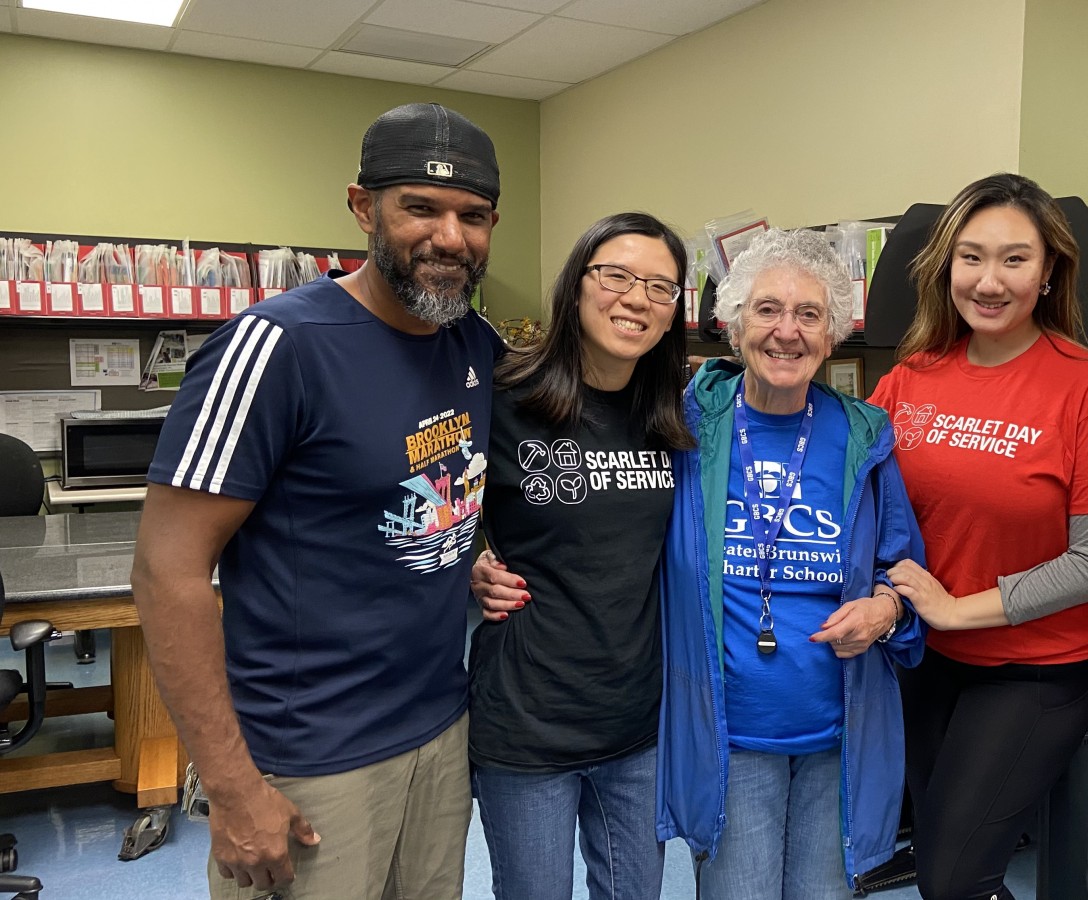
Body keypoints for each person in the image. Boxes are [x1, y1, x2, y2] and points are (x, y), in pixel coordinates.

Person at [131, 102, 505, 900]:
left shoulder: (477, 345)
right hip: (306, 761)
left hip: (441, 734)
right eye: (421, 208)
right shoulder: (276, 347)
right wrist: (231, 788)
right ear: (363, 208)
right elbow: (167, 574)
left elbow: (443, 489)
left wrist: (475, 555)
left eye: (472, 216)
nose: (449, 236)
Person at [871, 172, 1088, 900]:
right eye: (971, 257)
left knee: (950, 875)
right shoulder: (910, 378)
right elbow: (862, 503)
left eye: (1013, 259)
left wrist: (960, 607)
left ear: (1049, 270)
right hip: (925, 661)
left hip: (1033, 666)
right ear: (946, 266)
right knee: (954, 864)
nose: (988, 280)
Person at [655, 227, 927, 899]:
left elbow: (906, 570)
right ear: (733, 321)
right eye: (767, 309)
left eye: (810, 314)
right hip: (730, 735)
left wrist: (887, 608)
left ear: (833, 334)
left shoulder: (864, 436)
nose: (787, 331)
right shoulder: (684, 426)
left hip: (840, 736)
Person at [466, 212, 693, 900]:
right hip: (527, 723)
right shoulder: (505, 398)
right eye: (617, 275)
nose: (636, 299)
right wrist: (468, 561)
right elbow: (417, 508)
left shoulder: (673, 417)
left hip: (636, 722)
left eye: (661, 287)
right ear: (576, 286)